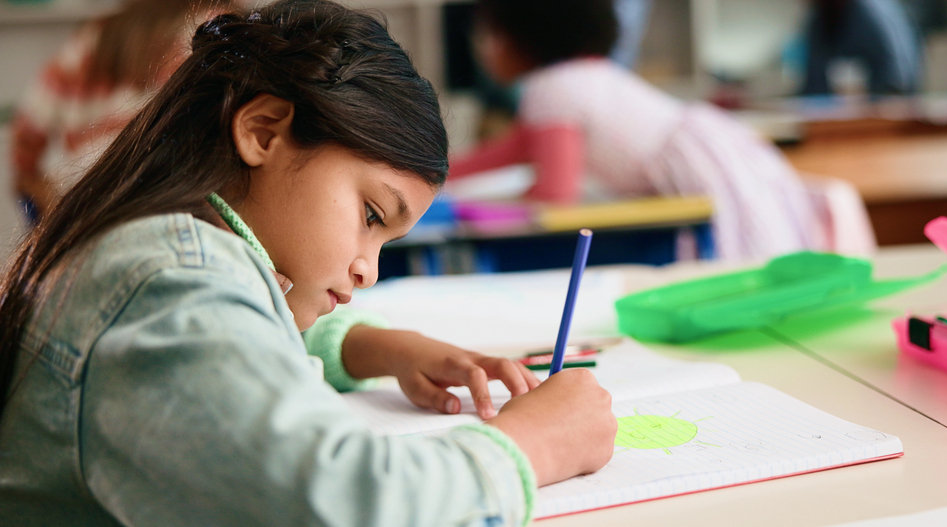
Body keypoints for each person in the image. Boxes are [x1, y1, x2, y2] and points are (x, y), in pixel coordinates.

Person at [0, 2, 617, 526]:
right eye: (372, 216)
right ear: (264, 132)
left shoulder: (169, 250)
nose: (367, 270)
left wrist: (383, 348)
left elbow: (239, 329)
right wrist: (534, 443)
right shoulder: (167, 284)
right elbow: (334, 503)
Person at [450, 0, 824, 261]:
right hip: (712, 145)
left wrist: (488, 208)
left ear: (522, 34)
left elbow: (555, 194)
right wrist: (434, 171)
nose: (483, 51)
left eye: (490, 35)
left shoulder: (550, 88)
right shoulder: (581, 75)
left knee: (731, 254)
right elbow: (511, 151)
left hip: (696, 164)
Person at [11, 0, 237, 223]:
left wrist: (41, 195)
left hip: (80, 200)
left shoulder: (97, 33)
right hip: (170, 205)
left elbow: (27, 134)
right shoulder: (216, 29)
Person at [801, 0, 923, 96]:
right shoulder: (818, 20)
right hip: (830, 118)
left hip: (882, 114)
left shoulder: (873, 12)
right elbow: (812, 86)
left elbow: (899, 80)